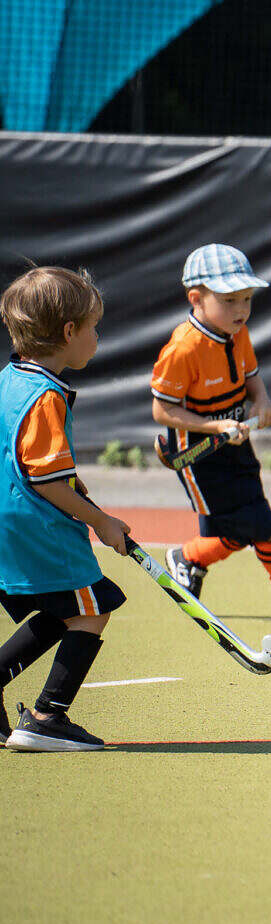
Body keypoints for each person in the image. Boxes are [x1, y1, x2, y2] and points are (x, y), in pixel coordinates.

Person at [150, 244, 271, 623]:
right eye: (230, 300)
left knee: (238, 526)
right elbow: (162, 409)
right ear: (195, 299)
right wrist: (215, 426)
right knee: (259, 522)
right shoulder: (182, 348)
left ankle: (189, 559)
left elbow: (252, 380)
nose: (241, 309)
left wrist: (262, 402)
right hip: (199, 455)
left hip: (236, 445)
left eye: (246, 298)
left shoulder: (238, 334)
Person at [0, 266, 133, 751]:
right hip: (37, 524)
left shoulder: (8, 380)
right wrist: (98, 520)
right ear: (69, 332)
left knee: (66, 607)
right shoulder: (47, 396)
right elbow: (46, 480)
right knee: (95, 604)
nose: (97, 336)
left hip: (8, 523)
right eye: (93, 327)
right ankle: (47, 718)